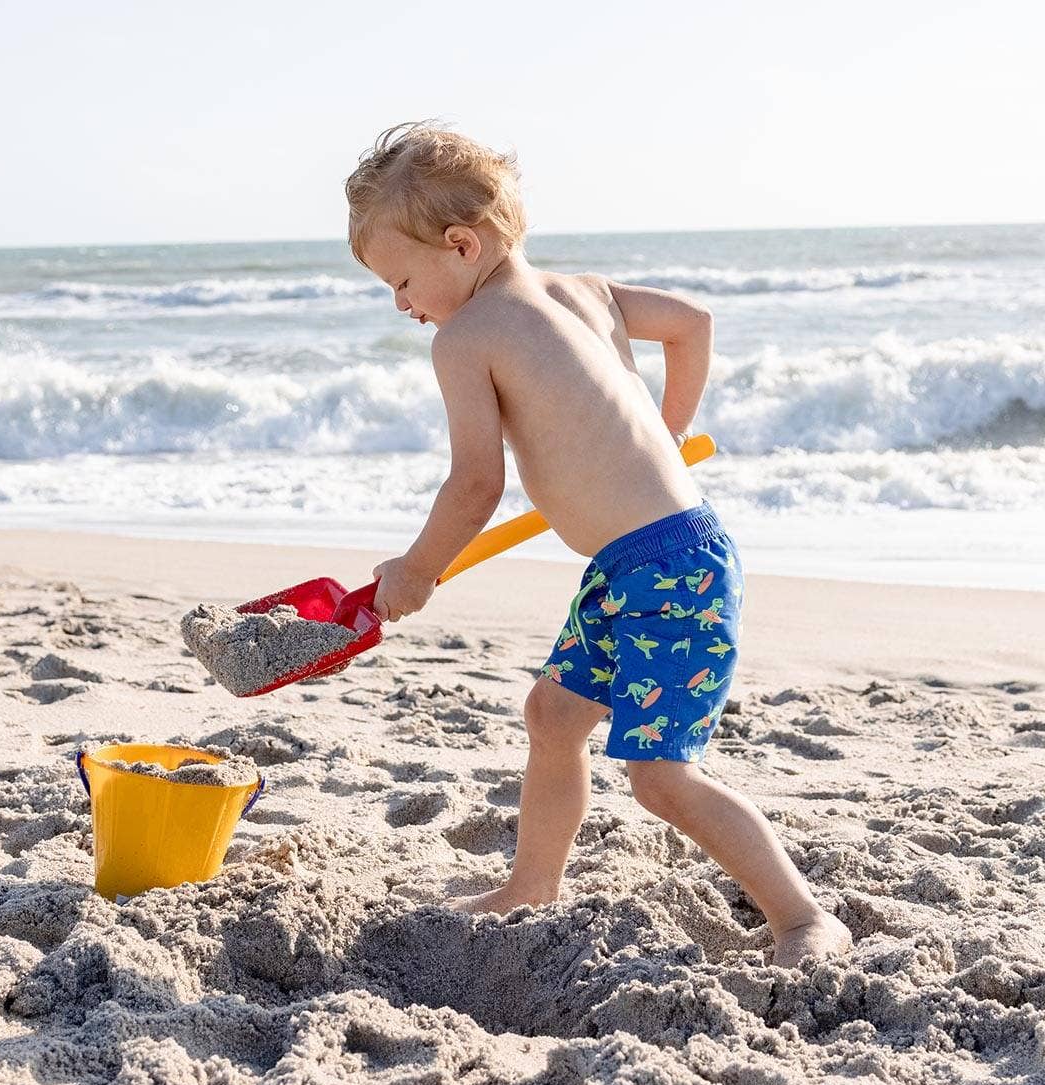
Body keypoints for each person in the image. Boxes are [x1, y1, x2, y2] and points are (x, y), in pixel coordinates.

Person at [344, 120, 852, 968]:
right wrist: (666, 428)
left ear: (461, 246)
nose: (402, 303)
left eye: (400, 281)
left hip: (667, 570)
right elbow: (693, 323)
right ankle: (531, 885)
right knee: (553, 714)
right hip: (645, 559)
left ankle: (802, 918)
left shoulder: (465, 338)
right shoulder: (586, 291)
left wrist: (417, 570)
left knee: (659, 777)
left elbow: (476, 483)